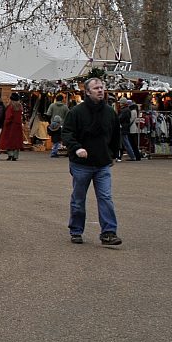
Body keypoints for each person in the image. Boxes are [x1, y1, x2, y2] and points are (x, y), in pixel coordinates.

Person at [61, 77, 122, 246]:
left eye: (101, 87)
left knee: (105, 197)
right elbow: (67, 134)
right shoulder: (76, 112)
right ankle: (76, 230)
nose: (100, 90)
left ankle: (108, 233)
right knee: (78, 199)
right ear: (87, 92)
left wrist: (113, 155)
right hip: (81, 164)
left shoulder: (110, 112)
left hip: (102, 163)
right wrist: (76, 148)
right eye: (96, 88)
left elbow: (115, 135)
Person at [0, 92, 25, 161]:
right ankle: (15, 156)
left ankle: (10, 155)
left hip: (10, 126)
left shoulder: (10, 106)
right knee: (16, 142)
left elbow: (8, 116)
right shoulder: (20, 106)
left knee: (8, 141)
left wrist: (5, 123)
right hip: (18, 126)